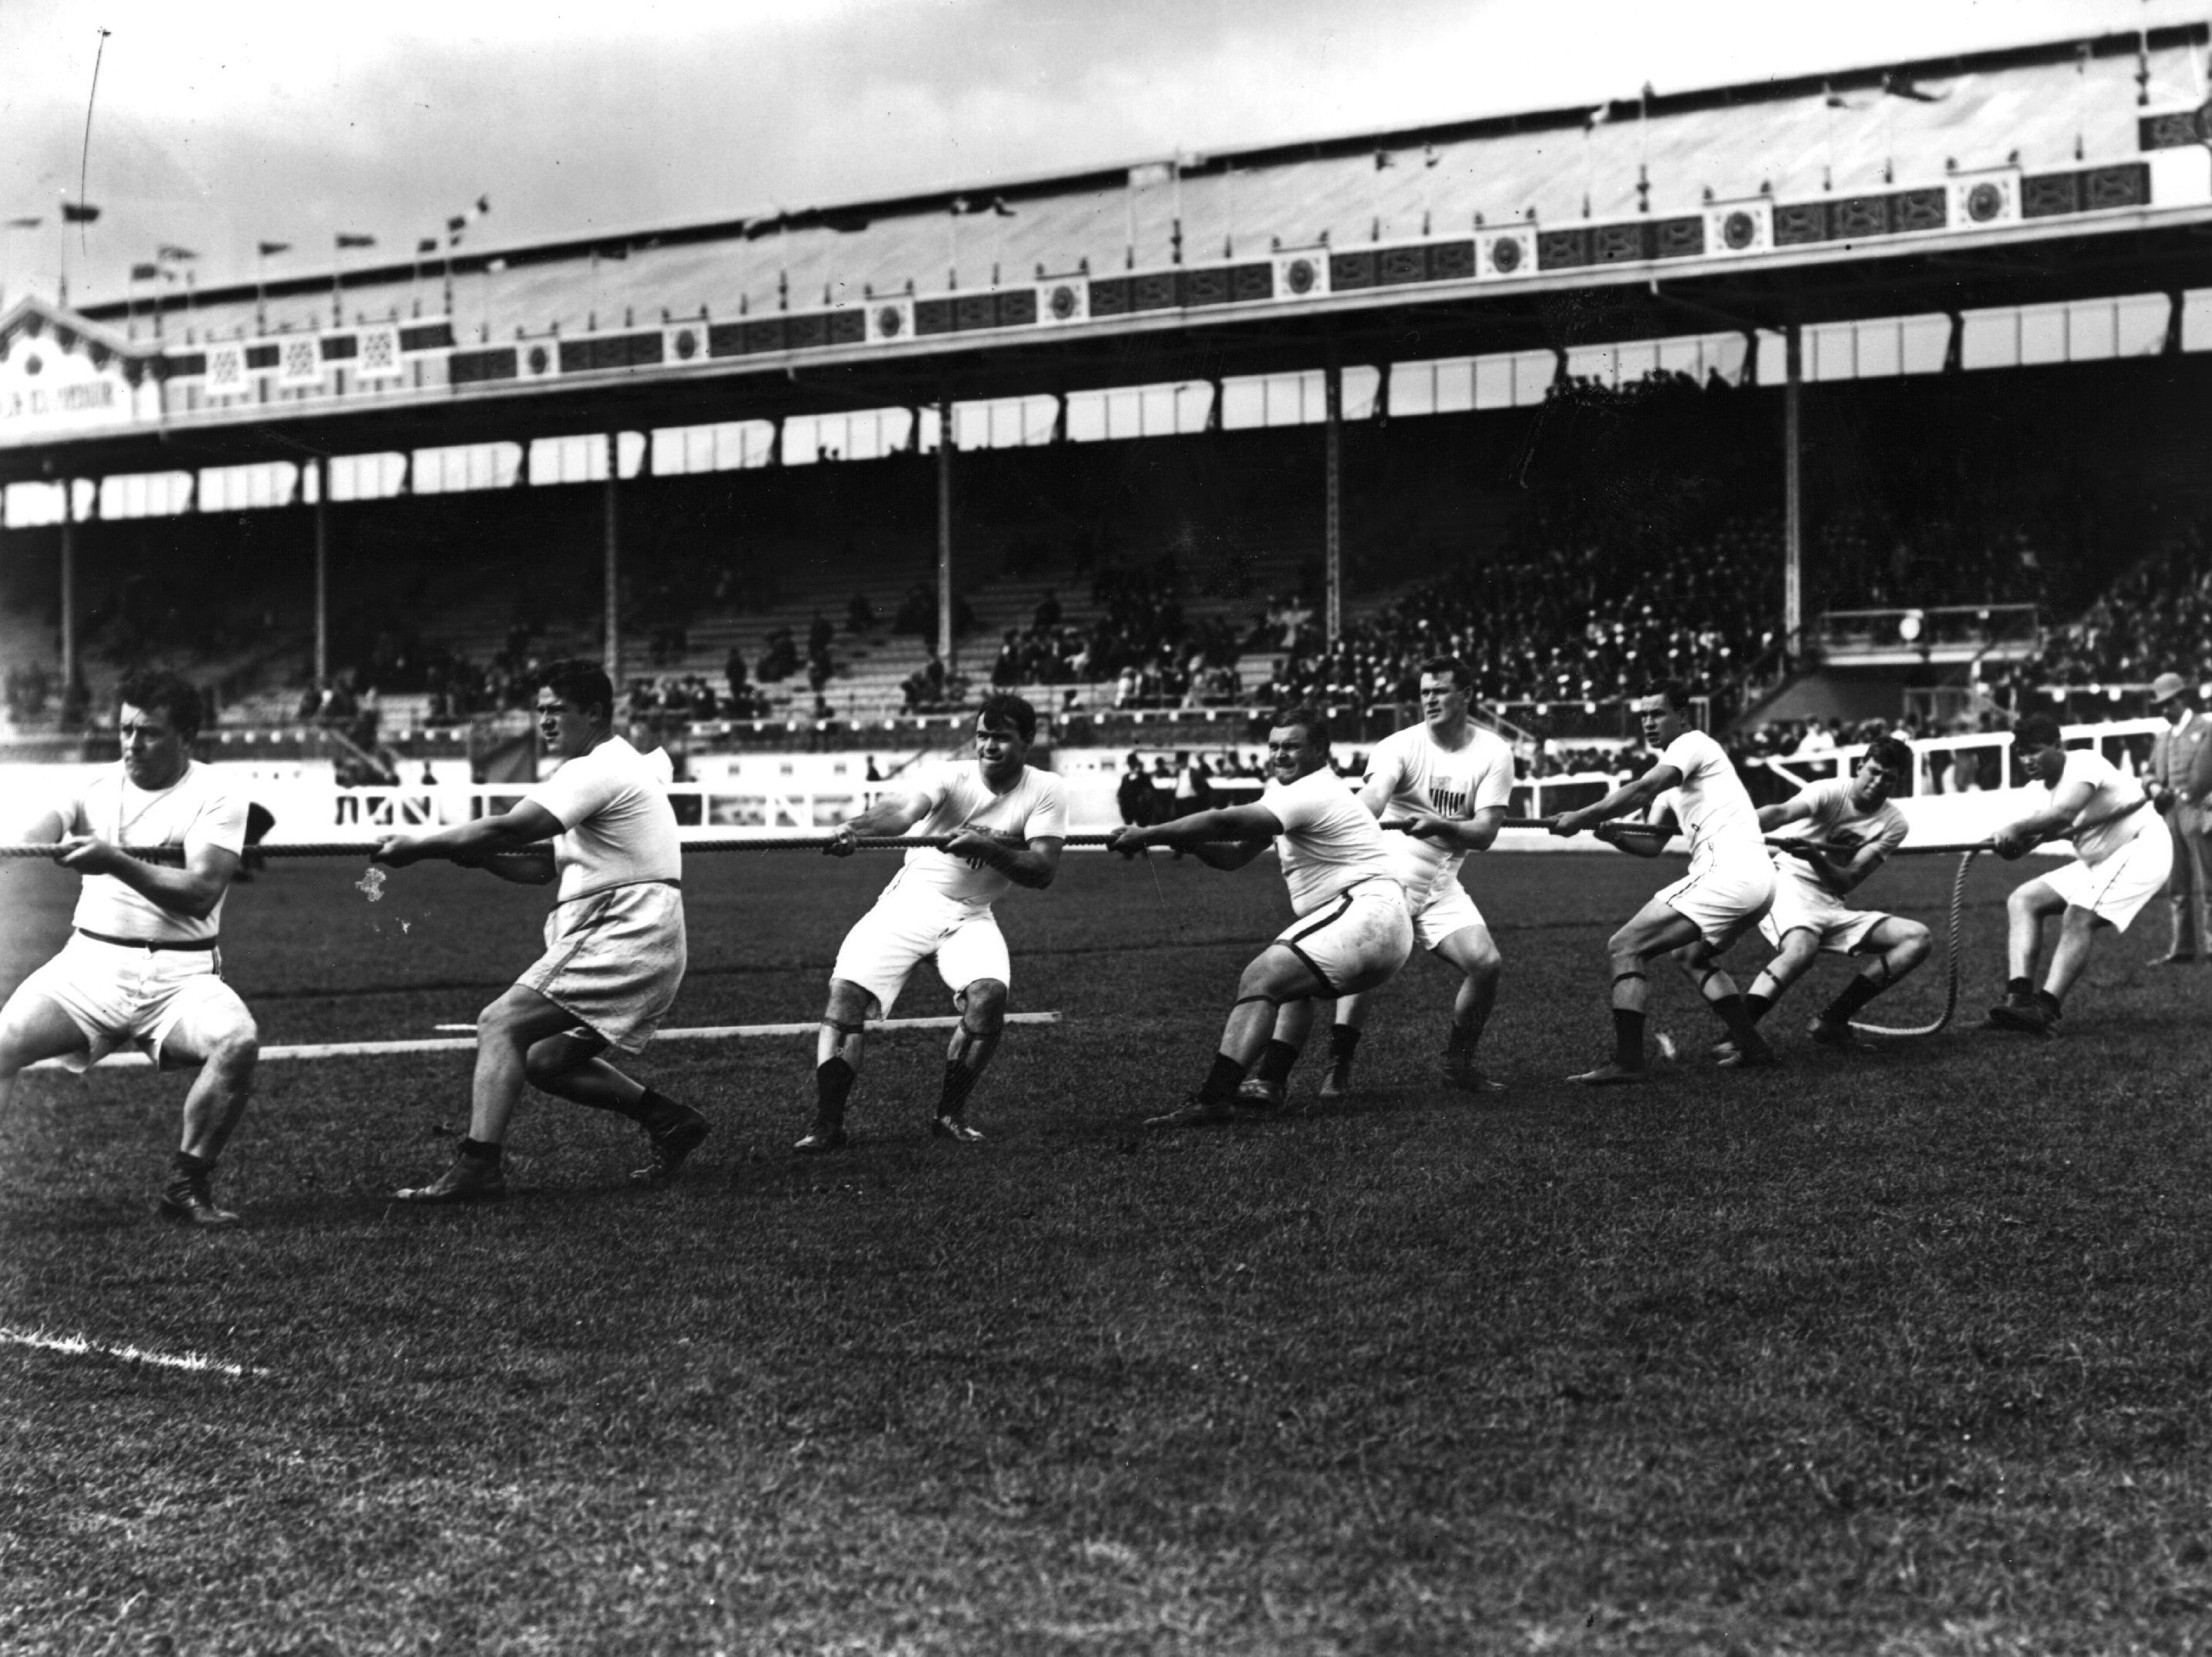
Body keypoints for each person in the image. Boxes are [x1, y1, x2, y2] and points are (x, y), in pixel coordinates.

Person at [372, 658, 705, 1199]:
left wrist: (419, 845)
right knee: (544, 1059)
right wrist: (482, 859)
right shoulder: (607, 768)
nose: (545, 721)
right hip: (637, 931)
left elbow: (512, 826)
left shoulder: (597, 767)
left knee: (499, 1024)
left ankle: (477, 1168)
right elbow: (542, 866)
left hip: (624, 928)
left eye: (557, 710)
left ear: (594, 713)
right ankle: (670, 1120)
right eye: (540, 710)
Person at [0, 668, 260, 1225]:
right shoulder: (90, 787)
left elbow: (199, 892)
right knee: (2, 1043)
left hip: (182, 978)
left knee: (236, 1043)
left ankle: (186, 1188)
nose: (131, 745)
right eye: (124, 730)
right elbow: (34, 833)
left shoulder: (218, 795)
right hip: (90, 966)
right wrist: (12, 846)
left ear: (187, 737)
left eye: (149, 733)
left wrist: (114, 859)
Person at [1106, 705, 1413, 1127]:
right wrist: (1189, 844)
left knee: (1260, 977)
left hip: (1366, 913)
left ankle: (1214, 1099)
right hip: (1375, 923)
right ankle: (1269, 1082)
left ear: (1320, 751)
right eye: (1273, 747)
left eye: (1292, 746)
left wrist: (1150, 833)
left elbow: (1221, 819)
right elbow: (1233, 856)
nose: (1280, 755)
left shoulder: (1311, 791)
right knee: (1291, 985)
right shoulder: (1299, 793)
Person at [1240, 656, 1515, 1104]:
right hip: (1385, 878)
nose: (1429, 699)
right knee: (1358, 970)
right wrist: (1320, 814)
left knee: (1486, 964)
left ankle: (1458, 1065)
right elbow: (1371, 800)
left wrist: (1440, 825)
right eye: (1424, 691)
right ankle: (1334, 1067)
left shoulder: (1495, 752)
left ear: (1466, 695)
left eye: (1440, 690)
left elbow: (1484, 833)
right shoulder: (1397, 746)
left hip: (1442, 884)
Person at [798, 692, 1066, 1151]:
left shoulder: (1046, 789)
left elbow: (1041, 871)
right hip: (911, 903)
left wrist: (985, 847)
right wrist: (855, 829)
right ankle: (828, 1125)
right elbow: (902, 811)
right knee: (845, 993)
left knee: (989, 996)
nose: (988, 747)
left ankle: (949, 1115)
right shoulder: (949, 776)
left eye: (1001, 738)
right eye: (983, 736)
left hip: (971, 916)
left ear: (1029, 740)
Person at [1548, 681, 1777, 1082]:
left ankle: (1628, 1061)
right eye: (1644, 715)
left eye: (1657, 714)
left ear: (1682, 716)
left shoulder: (1692, 744)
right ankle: (1753, 1047)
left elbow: (1643, 787)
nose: (1648, 723)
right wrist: (1614, 834)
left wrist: (1579, 818)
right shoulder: (1677, 781)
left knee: (1624, 946)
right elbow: (1653, 844)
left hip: (1731, 873)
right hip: (1758, 882)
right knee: (1691, 956)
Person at [1985, 712, 2170, 1035]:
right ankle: (2018, 1001)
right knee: (2024, 899)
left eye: (2035, 751)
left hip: (2142, 848)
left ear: (2059, 745)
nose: (2028, 760)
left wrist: (2015, 827)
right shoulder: (2034, 792)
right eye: (2022, 753)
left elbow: (2064, 814)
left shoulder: (2084, 762)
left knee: (2078, 916)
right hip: (2099, 862)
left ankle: (2045, 1010)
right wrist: (2005, 843)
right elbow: (2023, 847)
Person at [1739, 738, 1930, 1046]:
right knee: (1802, 949)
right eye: (1874, 772)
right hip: (1785, 884)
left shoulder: (1894, 823)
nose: (1878, 782)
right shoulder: (1829, 791)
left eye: (1889, 778)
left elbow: (1846, 881)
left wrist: (1815, 855)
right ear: (1860, 767)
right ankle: (1737, 1036)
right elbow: (1781, 813)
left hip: (1831, 899)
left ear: (1898, 782)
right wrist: (1734, 825)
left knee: (1916, 938)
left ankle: (1833, 1020)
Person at [2145, 672, 2211, 965]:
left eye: (2168, 703)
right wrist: (2154, 787)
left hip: (2201, 813)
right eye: (2160, 705)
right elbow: (2147, 773)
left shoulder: (2206, 730)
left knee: (2209, 883)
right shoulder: (2162, 738)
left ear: (2182, 699)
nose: (2163, 710)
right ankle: (2182, 948)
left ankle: (2211, 947)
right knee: (2178, 885)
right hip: (2171, 815)